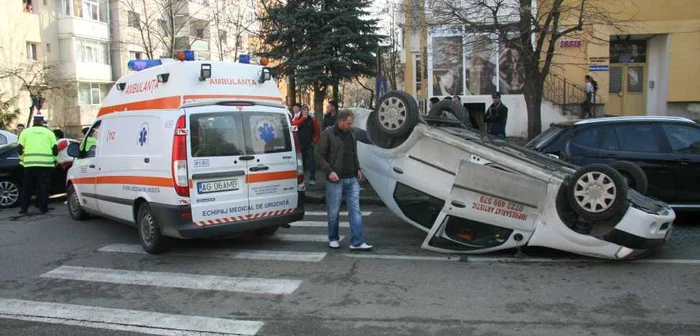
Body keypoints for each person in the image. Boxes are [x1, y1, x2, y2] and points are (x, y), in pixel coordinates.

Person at [318, 109, 372, 251]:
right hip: (336, 178)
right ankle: (333, 238)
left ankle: (357, 242)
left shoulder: (352, 134)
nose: (350, 125)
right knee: (334, 211)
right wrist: (329, 172)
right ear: (340, 121)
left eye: (351, 123)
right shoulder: (328, 134)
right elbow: (320, 156)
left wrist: (358, 168)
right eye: (348, 123)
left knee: (355, 210)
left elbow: (353, 154)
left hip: (352, 177)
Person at [17, 115, 58, 215]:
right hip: (46, 164)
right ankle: (43, 208)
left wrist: (22, 160)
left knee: (27, 187)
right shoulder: (49, 133)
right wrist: (54, 160)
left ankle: (24, 209)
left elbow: (19, 148)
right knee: (44, 187)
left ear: (33, 121)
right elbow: (55, 150)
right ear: (42, 122)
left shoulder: (25, 132)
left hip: (29, 164)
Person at [292, 104, 320, 186]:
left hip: (309, 144)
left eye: (307, 110)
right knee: (301, 163)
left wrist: (314, 141)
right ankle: (301, 180)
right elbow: (294, 125)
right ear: (301, 111)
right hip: (300, 145)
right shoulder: (298, 118)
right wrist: (303, 118)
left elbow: (317, 132)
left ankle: (312, 178)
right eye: (304, 110)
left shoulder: (312, 120)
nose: (306, 111)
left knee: (312, 162)